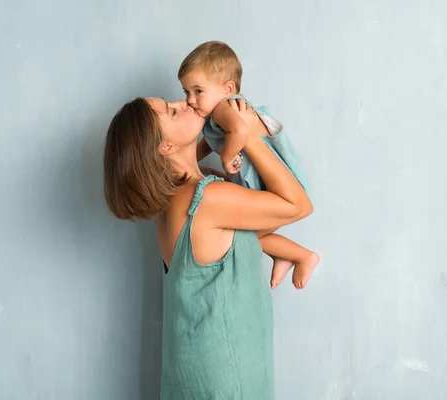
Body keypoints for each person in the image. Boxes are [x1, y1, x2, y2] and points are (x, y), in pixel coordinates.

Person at [103, 95, 312, 398]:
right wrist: (245, 133)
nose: (183, 102)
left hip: (202, 371)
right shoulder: (206, 199)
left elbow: (258, 226)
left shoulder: (180, 199)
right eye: (173, 113)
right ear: (166, 147)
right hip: (223, 377)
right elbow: (298, 205)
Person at [178, 40, 319, 289]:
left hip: (274, 187)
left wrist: (226, 157)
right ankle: (288, 255)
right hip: (266, 187)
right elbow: (212, 142)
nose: (190, 100)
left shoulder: (224, 107)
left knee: (243, 239)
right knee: (246, 238)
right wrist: (191, 157)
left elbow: (240, 129)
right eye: (186, 92)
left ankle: (301, 256)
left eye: (198, 91)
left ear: (227, 88)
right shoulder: (218, 116)